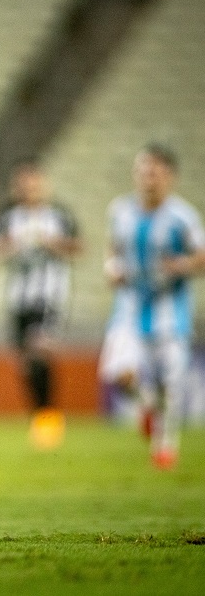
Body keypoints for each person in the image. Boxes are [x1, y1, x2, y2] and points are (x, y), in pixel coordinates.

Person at [98, 144, 205, 470]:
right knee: (119, 374)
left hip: (169, 310)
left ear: (169, 177)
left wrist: (182, 266)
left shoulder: (182, 216)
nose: (148, 178)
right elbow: (112, 249)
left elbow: (201, 257)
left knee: (171, 382)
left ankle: (165, 445)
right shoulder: (120, 211)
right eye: (143, 170)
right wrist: (112, 268)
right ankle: (146, 407)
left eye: (155, 171)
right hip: (129, 306)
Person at [0, 160, 82, 449]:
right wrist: (6, 245)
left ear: (43, 184)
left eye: (33, 182)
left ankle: (48, 420)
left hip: (50, 296)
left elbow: (78, 247)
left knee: (40, 349)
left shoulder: (58, 215)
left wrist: (53, 244)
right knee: (27, 364)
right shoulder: (7, 215)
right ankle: (41, 417)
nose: (28, 188)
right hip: (17, 299)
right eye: (22, 183)